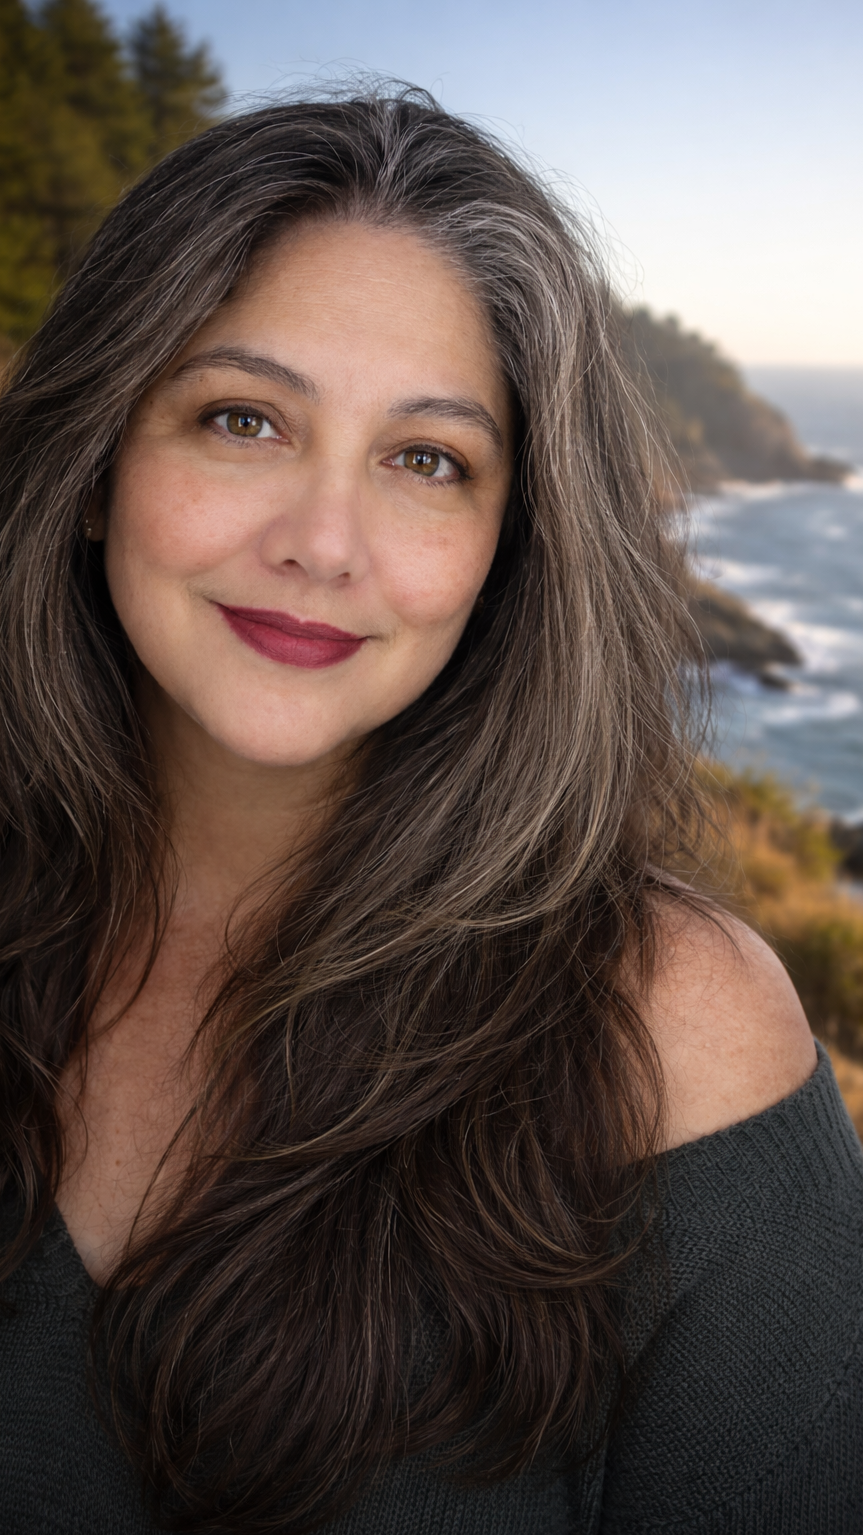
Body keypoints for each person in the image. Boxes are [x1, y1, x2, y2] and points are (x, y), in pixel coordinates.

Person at [0, 89, 860, 1535]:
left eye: (425, 460)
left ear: (507, 542)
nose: (321, 543)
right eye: (241, 418)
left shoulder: (667, 1032)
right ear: (98, 464)